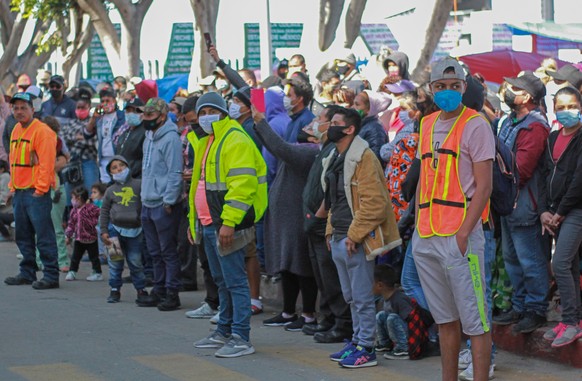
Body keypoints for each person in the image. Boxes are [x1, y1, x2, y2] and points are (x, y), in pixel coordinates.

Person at [412, 57, 494, 381]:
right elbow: (424, 178)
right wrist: (418, 223)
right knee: (445, 320)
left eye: (454, 86)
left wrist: (463, 234)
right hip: (428, 233)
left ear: (463, 87)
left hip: (461, 236)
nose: (448, 91)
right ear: (431, 89)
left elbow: (484, 186)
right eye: (441, 86)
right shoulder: (427, 123)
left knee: (476, 323)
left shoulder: (476, 124)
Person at [190, 92, 267, 358]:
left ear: (223, 113)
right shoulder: (209, 141)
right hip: (209, 222)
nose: (205, 117)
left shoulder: (234, 139)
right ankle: (223, 330)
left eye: (210, 111)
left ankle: (241, 336)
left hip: (227, 223)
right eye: (201, 113)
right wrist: (195, 222)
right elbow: (199, 185)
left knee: (235, 281)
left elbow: (242, 186)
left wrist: (229, 222)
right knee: (222, 280)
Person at [323, 107, 401, 369]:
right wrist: (330, 230)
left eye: (335, 122)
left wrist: (354, 235)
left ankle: (367, 347)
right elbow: (334, 199)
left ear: (349, 129)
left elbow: (375, 203)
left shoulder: (364, 157)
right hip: (340, 236)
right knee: (351, 296)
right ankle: (357, 342)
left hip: (354, 238)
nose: (328, 126)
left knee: (362, 297)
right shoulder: (337, 156)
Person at [253, 104, 320, 332]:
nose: (307, 125)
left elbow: (278, 147)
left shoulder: (311, 151)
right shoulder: (301, 148)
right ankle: (288, 312)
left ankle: (309, 314)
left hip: (297, 219)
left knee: (301, 267)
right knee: (287, 266)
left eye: (312, 125)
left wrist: (260, 121)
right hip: (286, 219)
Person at [493, 72, 550, 334]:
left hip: (524, 202)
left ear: (526, 96)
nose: (508, 91)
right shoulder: (509, 121)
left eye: (514, 88)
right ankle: (519, 305)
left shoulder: (535, 126)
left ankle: (536, 308)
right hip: (508, 200)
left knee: (530, 260)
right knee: (512, 258)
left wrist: (496, 173)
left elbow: (522, 169)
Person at [300, 105, 353, 343]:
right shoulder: (325, 149)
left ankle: (343, 325)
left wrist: (320, 216)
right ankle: (330, 319)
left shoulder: (339, 151)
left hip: (327, 223)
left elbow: (331, 190)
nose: (317, 123)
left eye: (323, 120)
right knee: (323, 277)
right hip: (317, 222)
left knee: (333, 278)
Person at [539, 87, 582, 347]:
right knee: (571, 265)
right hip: (555, 210)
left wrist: (560, 212)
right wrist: (545, 210)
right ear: (554, 109)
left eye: (572, 105)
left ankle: (571, 321)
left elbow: (579, 180)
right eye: (562, 107)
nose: (567, 111)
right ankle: (572, 320)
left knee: (560, 263)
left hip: (575, 209)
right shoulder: (552, 138)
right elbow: (544, 175)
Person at [4, 92, 59, 290]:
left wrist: (41, 189)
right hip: (20, 190)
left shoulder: (42, 131)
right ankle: (27, 272)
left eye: (23, 108)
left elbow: (46, 163)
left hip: (36, 191)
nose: (19, 112)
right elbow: (14, 161)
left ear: (32, 109)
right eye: (16, 108)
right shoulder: (16, 129)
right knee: (23, 234)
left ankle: (51, 275)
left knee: (44, 235)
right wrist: (12, 186)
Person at [137, 98, 184, 311]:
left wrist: (169, 200)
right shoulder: (149, 137)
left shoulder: (170, 139)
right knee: (154, 251)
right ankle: (159, 289)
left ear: (162, 117)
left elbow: (175, 172)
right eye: (144, 115)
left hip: (163, 203)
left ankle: (172, 292)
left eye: (150, 116)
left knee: (167, 251)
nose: (145, 119)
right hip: (148, 200)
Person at [183, 96, 220, 319]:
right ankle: (212, 301)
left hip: (218, 210)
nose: (197, 126)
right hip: (199, 208)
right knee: (206, 261)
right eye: (192, 123)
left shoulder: (222, 139)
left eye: (197, 121)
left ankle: (226, 309)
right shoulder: (195, 139)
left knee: (223, 267)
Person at [99, 156, 149, 304]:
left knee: (136, 262)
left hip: (136, 230)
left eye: (121, 165)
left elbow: (145, 205)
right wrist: (103, 231)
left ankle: (141, 289)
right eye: (114, 167)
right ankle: (115, 289)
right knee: (115, 262)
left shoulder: (139, 185)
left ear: (128, 166)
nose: (119, 169)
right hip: (114, 231)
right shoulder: (110, 191)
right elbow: (104, 211)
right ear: (110, 172)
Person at [374, 264, 433, 360]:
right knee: (380, 316)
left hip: (409, 333)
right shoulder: (384, 298)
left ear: (380, 285)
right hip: (398, 330)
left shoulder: (399, 299)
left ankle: (403, 348)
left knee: (392, 318)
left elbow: (413, 320)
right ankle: (384, 344)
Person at [61, 91, 100, 202]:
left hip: (89, 162)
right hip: (71, 163)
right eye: (78, 107)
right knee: (71, 198)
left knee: (91, 195)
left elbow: (94, 142)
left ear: (89, 107)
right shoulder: (70, 123)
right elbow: (63, 140)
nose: (80, 109)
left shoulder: (95, 123)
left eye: (83, 107)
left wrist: (74, 139)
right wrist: (78, 138)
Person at [86, 88, 126, 183]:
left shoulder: (122, 116)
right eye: (102, 101)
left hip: (118, 157)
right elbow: (87, 133)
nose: (105, 103)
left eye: (108, 101)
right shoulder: (100, 118)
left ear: (114, 101)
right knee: (105, 187)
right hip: (103, 159)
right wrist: (94, 117)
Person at [64, 186, 102, 281]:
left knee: (94, 257)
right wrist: (68, 236)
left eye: (73, 198)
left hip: (91, 238)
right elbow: (71, 224)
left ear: (79, 198)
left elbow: (101, 212)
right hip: (78, 238)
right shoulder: (74, 211)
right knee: (75, 257)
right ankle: (72, 271)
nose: (72, 200)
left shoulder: (91, 208)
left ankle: (97, 272)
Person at [353, 90, 390, 163]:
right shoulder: (360, 123)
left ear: (369, 109)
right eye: (353, 103)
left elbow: (374, 159)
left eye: (357, 105)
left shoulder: (375, 129)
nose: (353, 107)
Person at [114, 97, 146, 178]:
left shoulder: (145, 133)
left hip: (137, 179)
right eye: (128, 111)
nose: (131, 113)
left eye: (135, 110)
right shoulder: (125, 132)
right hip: (123, 178)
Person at [283, 77, 315, 143]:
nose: (285, 98)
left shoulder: (308, 121)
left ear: (300, 99)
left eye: (289, 95)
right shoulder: (292, 120)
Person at [0, 159, 13, 240]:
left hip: (9, 211)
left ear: (2, 169)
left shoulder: (5, 177)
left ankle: (6, 235)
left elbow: (4, 196)